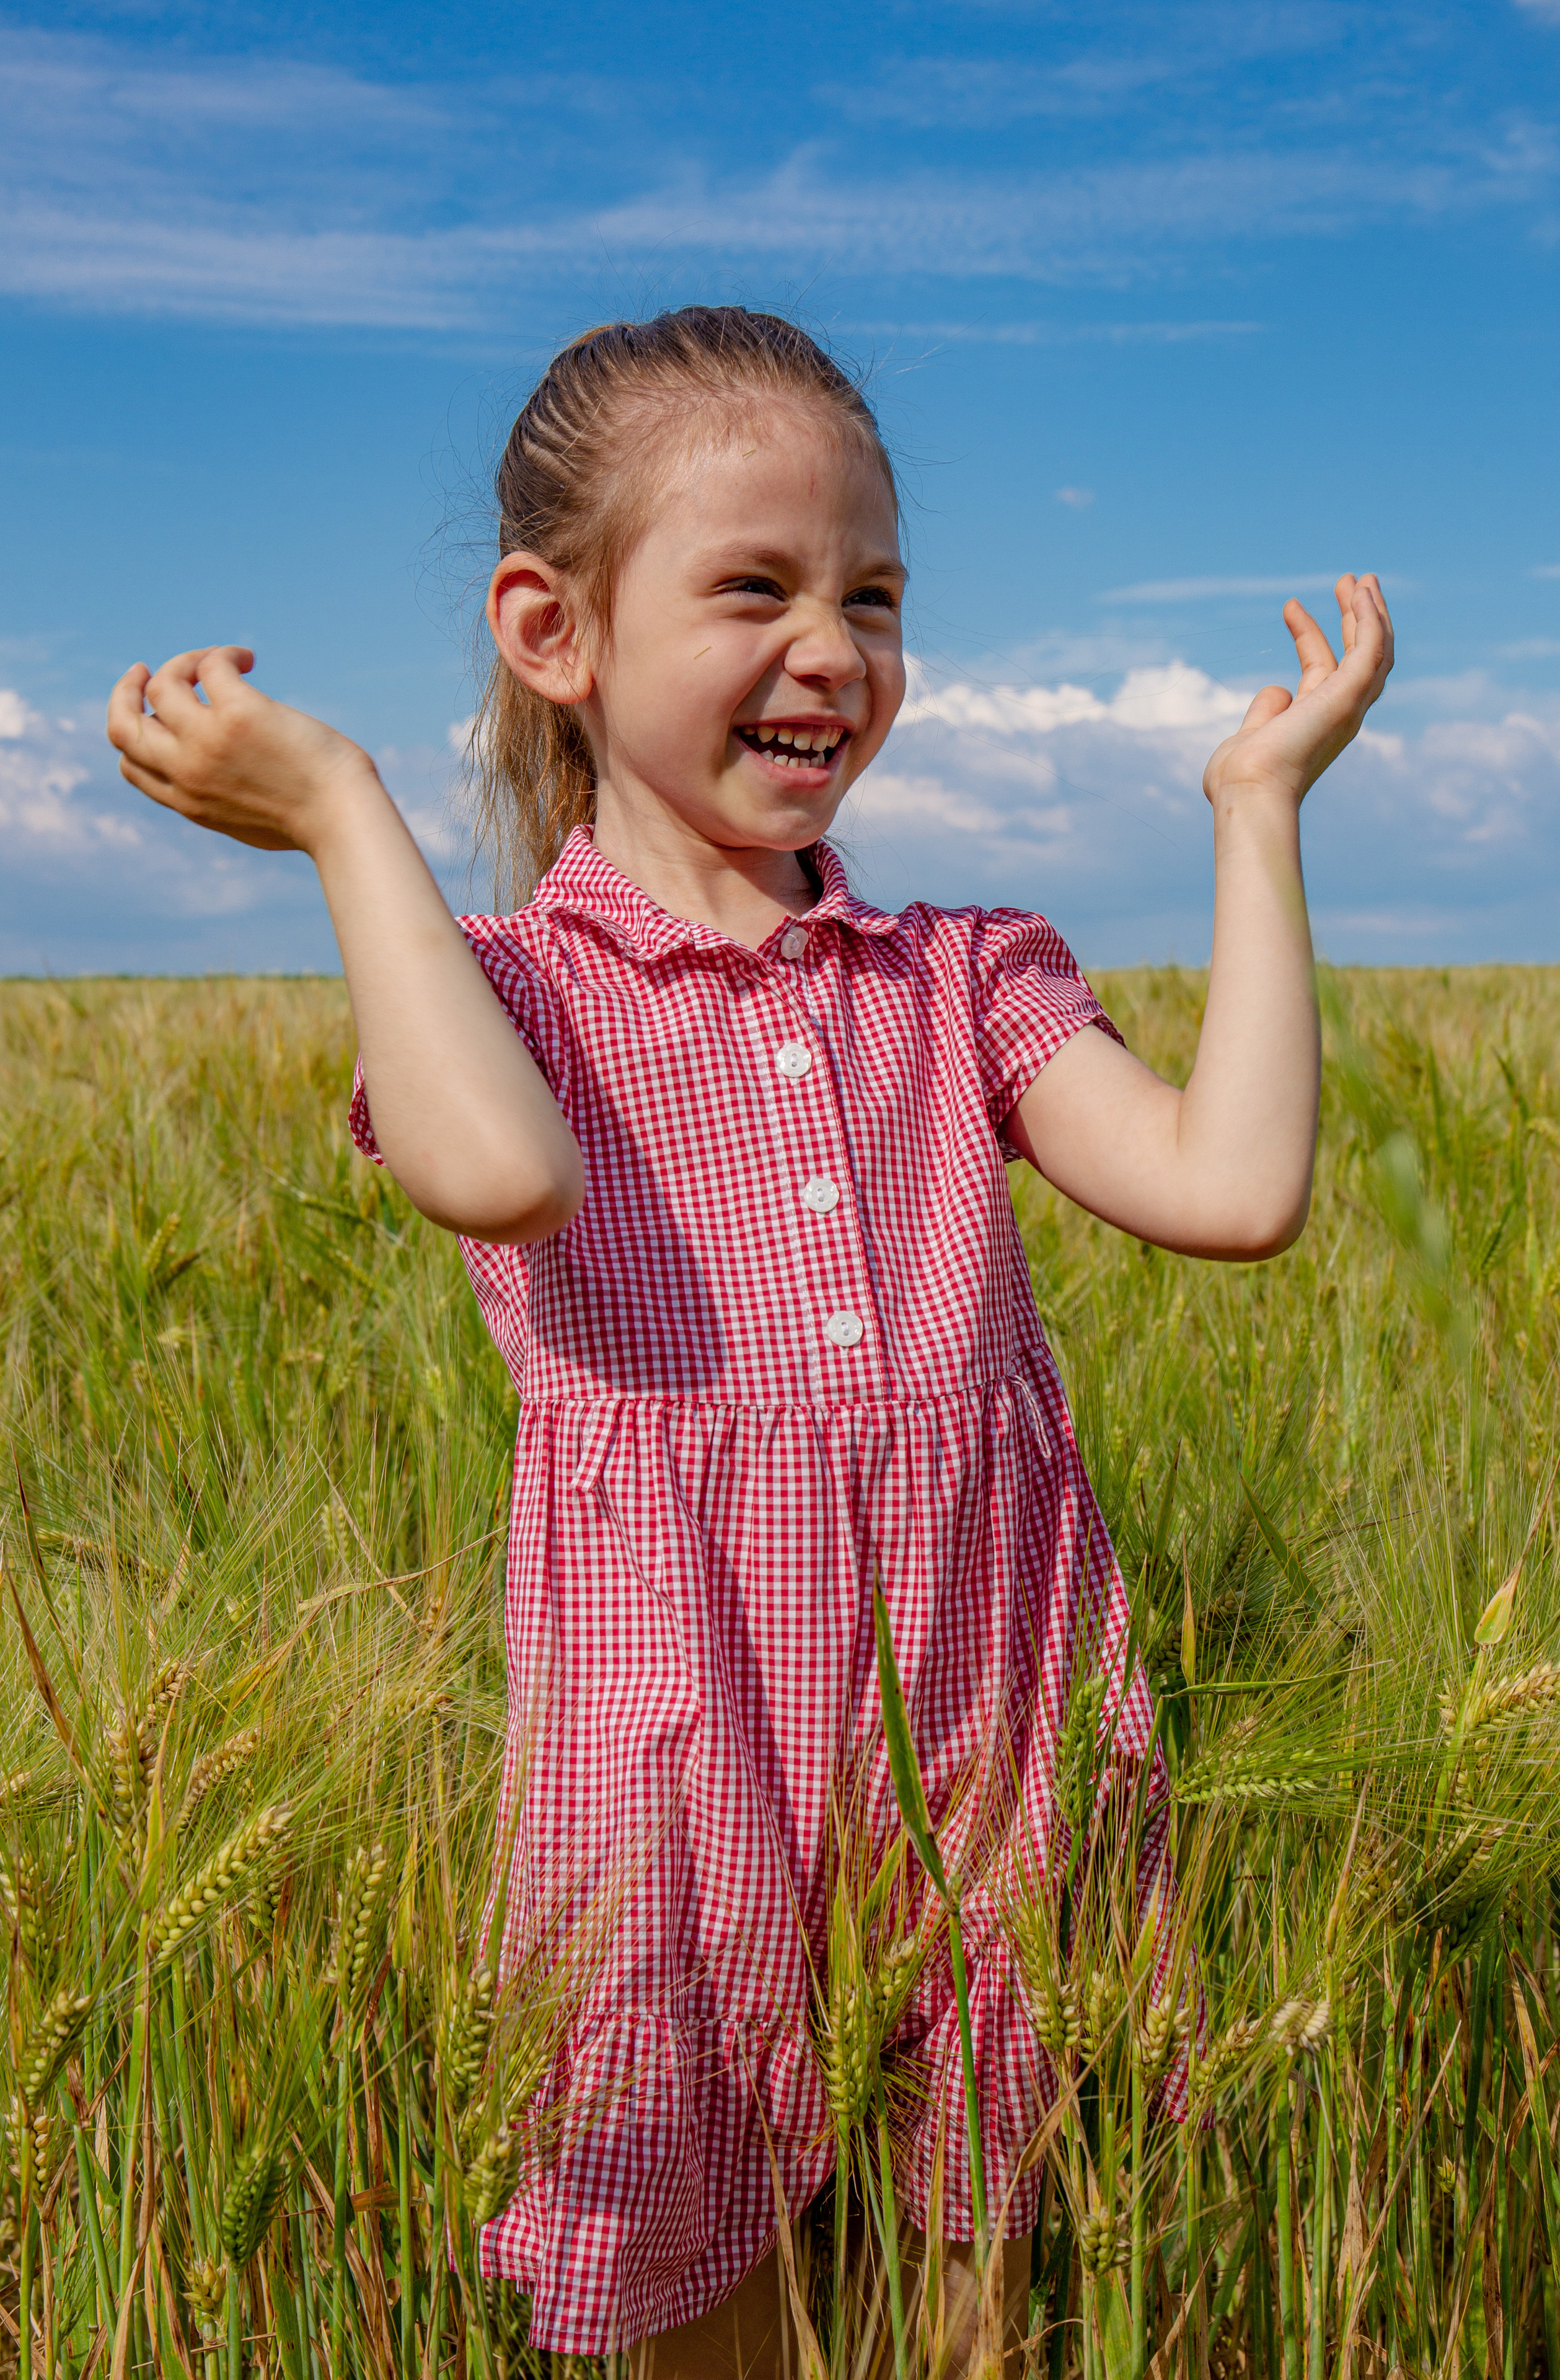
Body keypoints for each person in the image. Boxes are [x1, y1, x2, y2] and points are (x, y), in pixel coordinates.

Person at [107, 306, 1393, 2374]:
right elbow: (504, 1175)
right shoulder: (505, 991)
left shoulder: (963, 972)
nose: (835, 648)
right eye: (757, 588)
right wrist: (348, 814)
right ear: (555, 635)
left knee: (968, 2307)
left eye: (874, 594)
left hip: (981, 1737)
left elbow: (1232, 1192)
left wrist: (1257, 807)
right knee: (706, 2313)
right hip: (683, 1759)